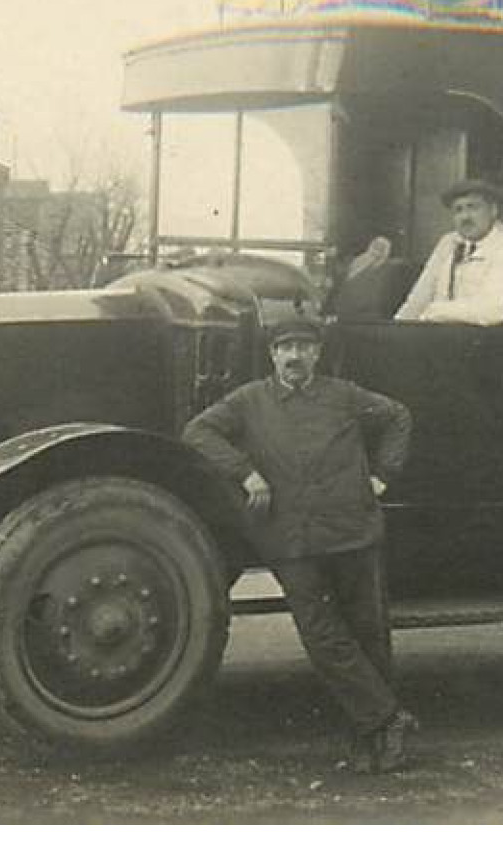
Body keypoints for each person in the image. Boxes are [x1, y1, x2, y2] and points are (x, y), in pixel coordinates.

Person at [182, 316, 418, 773]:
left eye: (303, 347)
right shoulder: (249, 401)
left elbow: (398, 417)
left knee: (368, 632)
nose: (294, 356)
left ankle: (375, 738)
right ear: (272, 355)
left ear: (317, 354)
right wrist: (245, 472)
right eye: (285, 347)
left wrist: (382, 477)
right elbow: (197, 432)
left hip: (352, 530)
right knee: (322, 635)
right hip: (291, 538)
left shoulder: (343, 395)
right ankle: (388, 718)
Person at [394, 179, 503, 325]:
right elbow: (418, 299)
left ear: (493, 210)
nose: (465, 217)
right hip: (439, 337)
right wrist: (395, 333)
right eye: (458, 210)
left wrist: (432, 311)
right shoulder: (449, 242)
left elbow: (491, 311)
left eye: (473, 207)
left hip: (485, 340)